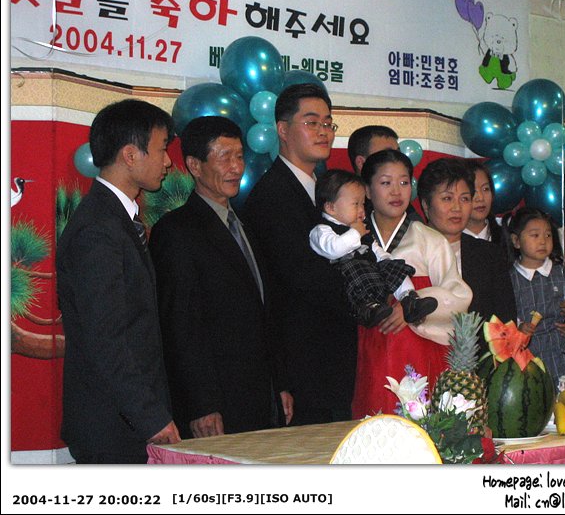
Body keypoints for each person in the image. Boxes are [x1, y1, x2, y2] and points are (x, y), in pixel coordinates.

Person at [149, 116, 293, 438]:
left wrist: (280, 384)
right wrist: (201, 404)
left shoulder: (246, 226)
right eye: (224, 157)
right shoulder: (175, 232)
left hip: (262, 395)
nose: (236, 167)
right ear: (194, 166)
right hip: (218, 403)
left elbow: (267, 311)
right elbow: (180, 326)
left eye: (239, 156)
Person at [56, 99, 180, 463]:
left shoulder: (115, 219)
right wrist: (151, 417)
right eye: (161, 149)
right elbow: (106, 338)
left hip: (126, 421)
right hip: (113, 428)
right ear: (130, 154)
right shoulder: (98, 229)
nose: (168, 162)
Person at [242, 84, 357, 425]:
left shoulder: (324, 191)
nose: (323, 131)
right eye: (311, 122)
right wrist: (366, 297)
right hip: (300, 369)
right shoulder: (272, 196)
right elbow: (301, 278)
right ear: (282, 129)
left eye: (328, 123)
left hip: (331, 363)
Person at [353, 149, 473, 418]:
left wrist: (411, 306)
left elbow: (458, 295)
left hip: (418, 353)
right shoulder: (350, 240)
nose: (396, 191)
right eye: (386, 182)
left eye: (404, 182)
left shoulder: (430, 240)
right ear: (367, 190)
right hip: (366, 352)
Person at [310, 169, 438, 327]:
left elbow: (375, 248)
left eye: (363, 204)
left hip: (371, 270)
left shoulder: (360, 228)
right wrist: (355, 233)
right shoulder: (322, 230)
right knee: (357, 268)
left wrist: (385, 259)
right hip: (347, 278)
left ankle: (409, 300)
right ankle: (368, 308)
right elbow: (333, 249)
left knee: (394, 268)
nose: (361, 210)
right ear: (331, 208)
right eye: (356, 204)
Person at [418, 158, 516, 345]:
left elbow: (504, 325)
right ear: (425, 204)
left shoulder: (490, 256)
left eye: (464, 199)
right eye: (447, 198)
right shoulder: (410, 251)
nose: (457, 208)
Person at [502, 207, 565, 386]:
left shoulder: (561, 273)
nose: (543, 241)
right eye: (535, 235)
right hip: (527, 353)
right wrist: (518, 326)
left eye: (548, 235)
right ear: (516, 241)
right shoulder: (509, 278)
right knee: (535, 394)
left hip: (562, 351)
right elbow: (505, 312)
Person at [347, 124, 423, 222]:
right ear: (361, 163)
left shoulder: (407, 212)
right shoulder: (345, 208)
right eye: (386, 154)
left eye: (398, 153)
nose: (396, 159)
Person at [463, 161, 505, 247]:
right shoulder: (445, 242)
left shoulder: (507, 239)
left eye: (485, 189)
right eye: (472, 190)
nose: (481, 198)